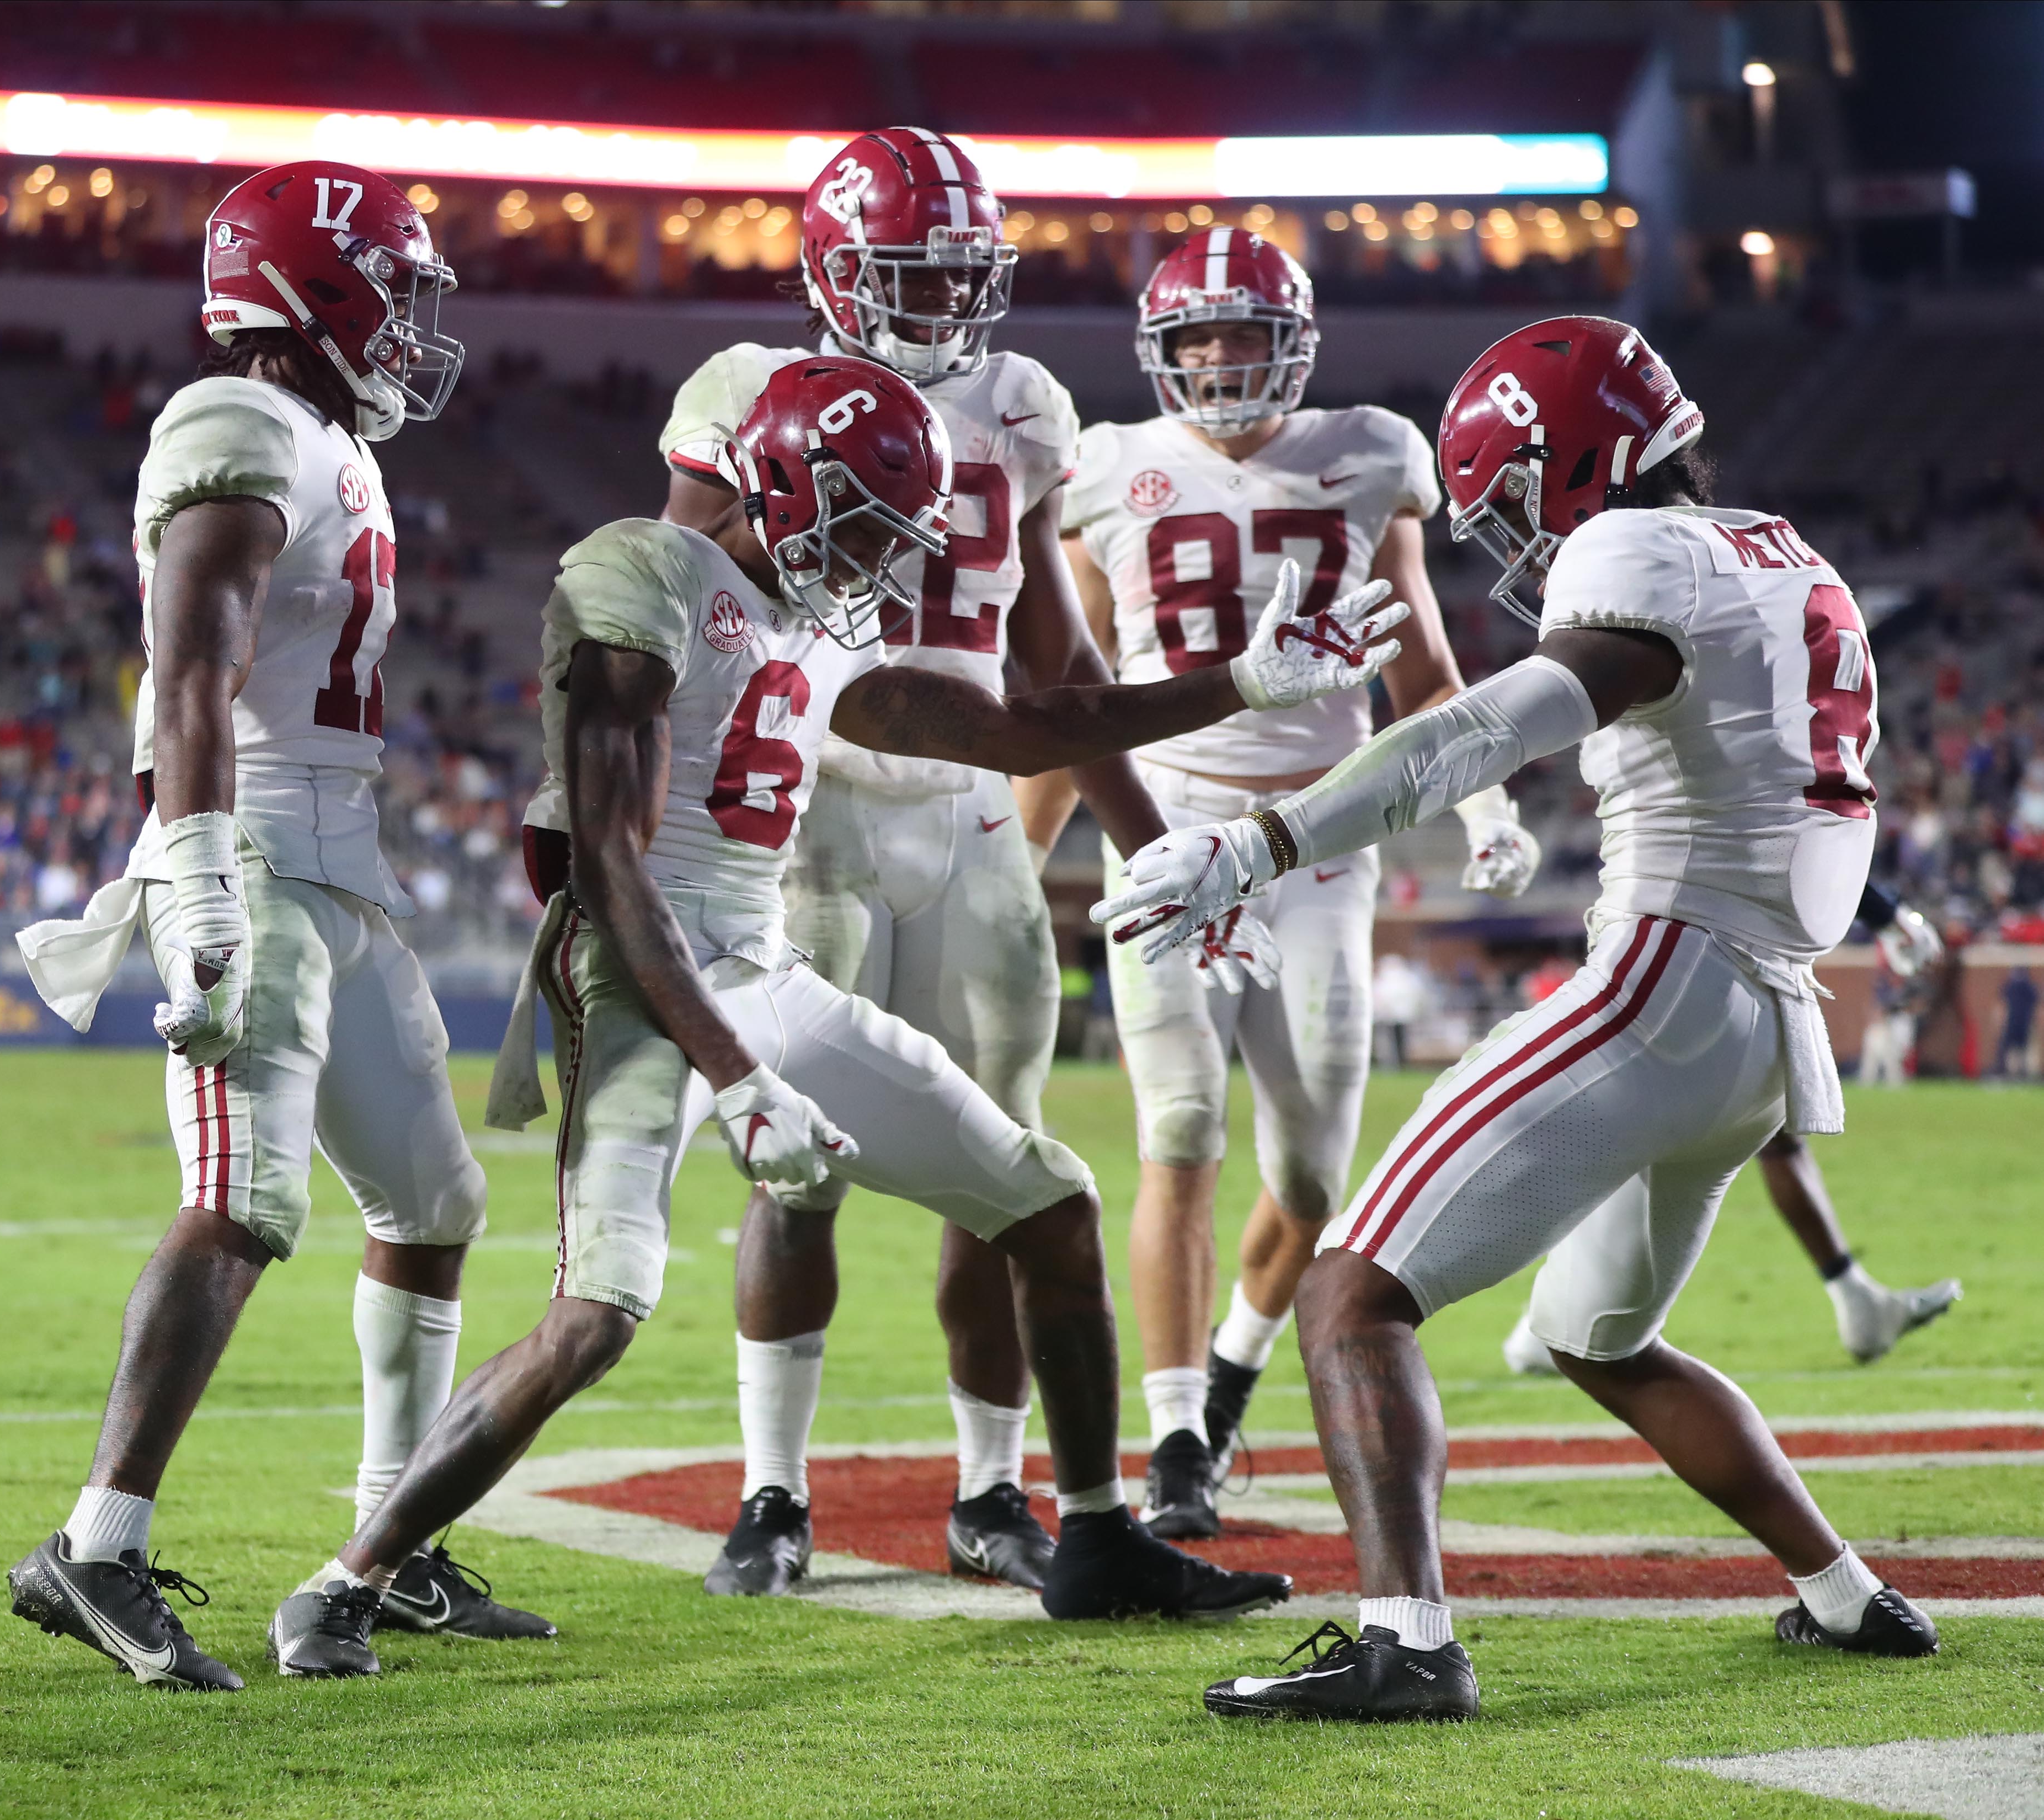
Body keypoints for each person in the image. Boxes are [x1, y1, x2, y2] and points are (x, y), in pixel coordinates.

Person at [266, 353, 1411, 1679]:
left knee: (1048, 1204)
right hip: (635, 980)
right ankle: (350, 1578)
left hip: (756, 967)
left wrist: (1235, 686)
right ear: (778, 483)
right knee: (600, 1309)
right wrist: (738, 1076)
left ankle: (1093, 1535)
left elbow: (1013, 730)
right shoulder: (640, 575)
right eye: (861, 524)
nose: (876, 560)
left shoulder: (824, 625)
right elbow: (609, 860)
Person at [1100, 316, 1945, 1722]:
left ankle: (1408, 1644)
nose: (1511, 537)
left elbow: (1482, 730)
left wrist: (1254, 843)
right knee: (1595, 1336)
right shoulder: (1791, 555)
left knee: (1347, 1295)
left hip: (1660, 983)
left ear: (1582, 464)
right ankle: (1845, 1592)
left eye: (1514, 495)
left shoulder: (1635, 550)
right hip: (1762, 1020)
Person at [4, 161, 545, 1694]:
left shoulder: (326, 442)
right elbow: (187, 673)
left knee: (433, 1203)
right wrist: (194, 878)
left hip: (342, 864)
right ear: (308, 286)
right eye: (393, 280)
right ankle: (94, 1545)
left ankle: (393, 1540)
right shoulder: (236, 421)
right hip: (248, 842)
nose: (411, 315)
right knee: (244, 1198)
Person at [656, 127, 1181, 1594]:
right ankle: (771, 1491)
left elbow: (1054, 655)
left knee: (999, 1169)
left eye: (961, 272)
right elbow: (672, 611)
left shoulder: (1020, 403)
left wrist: (1152, 845)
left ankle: (986, 1489)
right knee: (795, 1172)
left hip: (972, 828)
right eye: (910, 273)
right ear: (828, 269)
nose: (944, 302)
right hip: (808, 821)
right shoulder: (741, 392)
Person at [1043, 232, 1541, 1539]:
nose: (1215, 357)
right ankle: (1170, 1444)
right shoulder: (1104, 467)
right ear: (1158, 349)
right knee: (1179, 1131)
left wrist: (1480, 790)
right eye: (1193, 334)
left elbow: (1420, 663)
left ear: (1295, 336)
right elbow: (1077, 697)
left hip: (1320, 838)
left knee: (1314, 1175)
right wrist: (1015, 849)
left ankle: (1225, 1379)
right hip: (1165, 827)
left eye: (1238, 329)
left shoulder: (1369, 449)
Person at [1503, 887, 1958, 1373]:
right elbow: (1781, 820)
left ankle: (1857, 1300)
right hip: (1697, 954)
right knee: (1658, 1130)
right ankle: (1551, 1322)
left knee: (1765, 1130)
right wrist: (1887, 915)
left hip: (1685, 951)